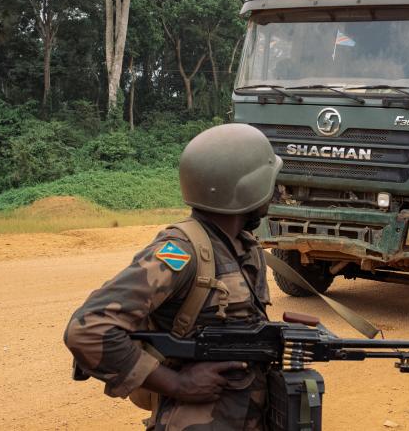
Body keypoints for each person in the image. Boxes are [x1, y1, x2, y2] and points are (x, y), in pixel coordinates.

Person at [64, 123, 283, 430]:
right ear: (247, 189)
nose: (274, 192)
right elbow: (88, 329)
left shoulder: (244, 248)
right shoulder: (182, 252)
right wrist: (177, 384)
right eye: (270, 183)